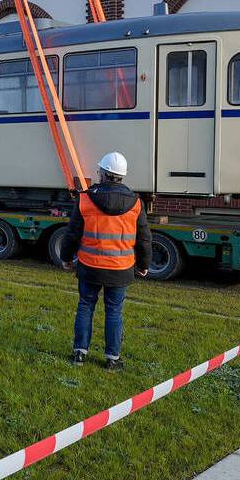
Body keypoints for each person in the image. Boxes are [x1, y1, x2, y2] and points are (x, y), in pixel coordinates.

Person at [59, 151, 150, 370]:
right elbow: (144, 238)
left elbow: (72, 233)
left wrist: (66, 258)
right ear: (121, 176)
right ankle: (112, 359)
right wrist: (144, 265)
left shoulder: (85, 198)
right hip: (121, 269)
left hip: (89, 267)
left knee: (85, 306)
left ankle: (79, 354)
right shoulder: (136, 202)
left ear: (103, 174)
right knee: (114, 312)